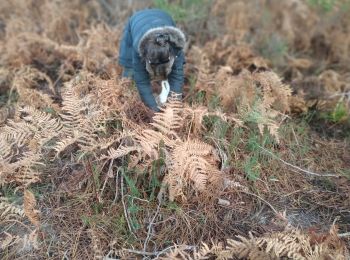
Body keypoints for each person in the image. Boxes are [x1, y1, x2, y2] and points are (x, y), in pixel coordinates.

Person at [118, 8, 186, 112]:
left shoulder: (176, 46)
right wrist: (154, 110)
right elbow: (142, 81)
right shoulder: (139, 48)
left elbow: (177, 76)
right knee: (129, 69)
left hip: (163, 15)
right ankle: (124, 98)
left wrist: (173, 106)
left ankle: (163, 86)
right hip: (137, 20)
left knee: (173, 71)